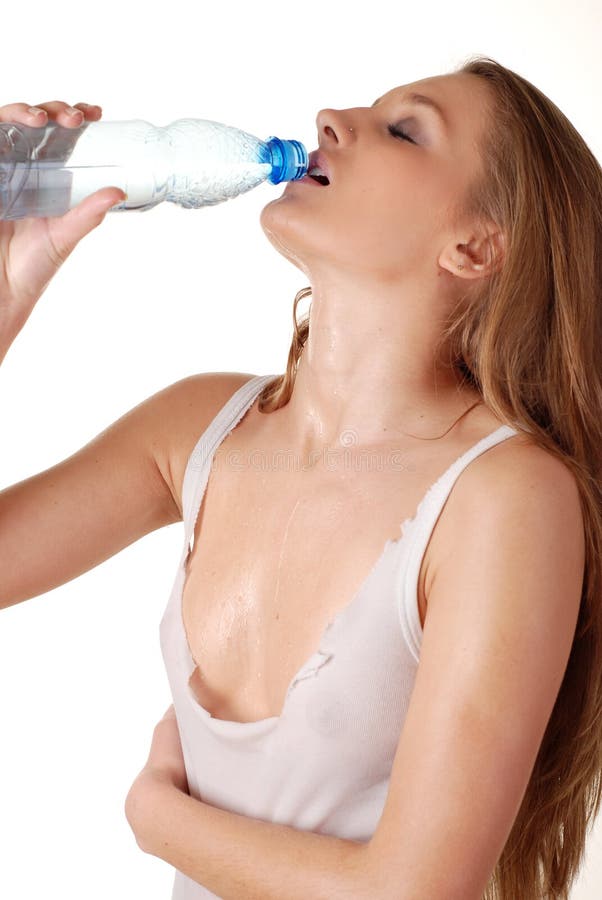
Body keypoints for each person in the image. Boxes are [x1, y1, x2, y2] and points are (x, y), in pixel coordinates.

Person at [0, 55, 600, 900]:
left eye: (404, 128)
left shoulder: (505, 500)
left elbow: (415, 891)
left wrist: (157, 820)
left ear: (473, 245)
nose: (330, 117)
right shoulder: (197, 430)